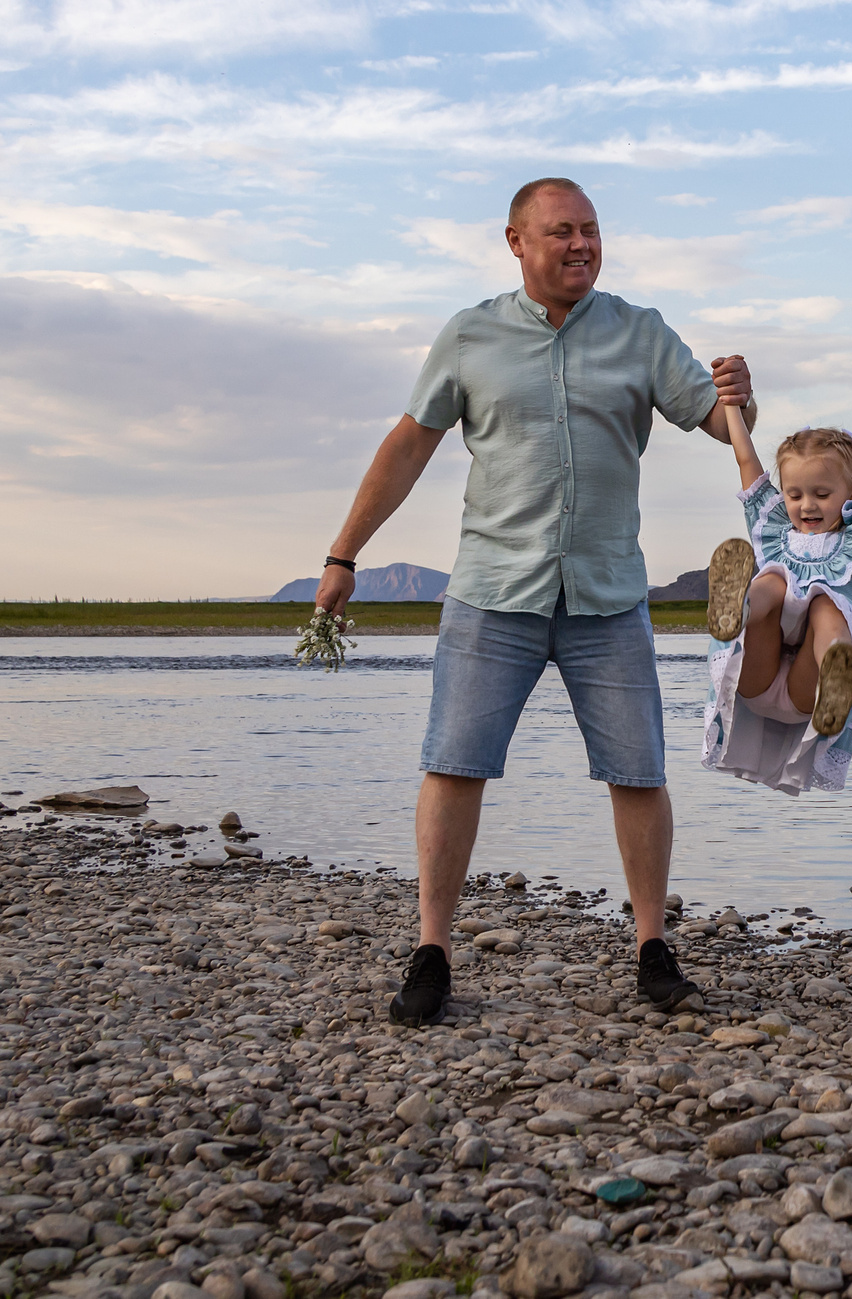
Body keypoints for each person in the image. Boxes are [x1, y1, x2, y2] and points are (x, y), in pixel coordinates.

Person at [314, 177, 754, 1027]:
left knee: (639, 772)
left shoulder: (641, 331)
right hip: (492, 594)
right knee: (454, 763)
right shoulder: (470, 335)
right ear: (516, 241)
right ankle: (432, 951)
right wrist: (344, 555)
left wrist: (739, 394)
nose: (582, 244)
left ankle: (652, 950)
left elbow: (717, 420)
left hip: (607, 596)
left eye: (591, 230)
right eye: (563, 232)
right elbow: (407, 446)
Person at [694, 386, 852, 795]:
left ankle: (838, 679)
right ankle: (738, 608)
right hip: (757, 679)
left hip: (809, 695)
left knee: (827, 606)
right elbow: (745, 458)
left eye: (822, 495)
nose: (807, 505)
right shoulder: (773, 533)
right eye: (795, 494)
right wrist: (731, 405)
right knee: (772, 580)